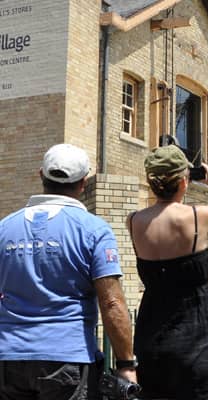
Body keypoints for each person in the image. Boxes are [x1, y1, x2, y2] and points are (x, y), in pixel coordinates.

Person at [0, 143, 136, 399]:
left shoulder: (5, 228)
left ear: (41, 175)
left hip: (8, 358)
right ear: (83, 182)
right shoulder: (94, 230)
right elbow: (112, 303)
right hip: (67, 359)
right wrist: (126, 365)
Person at [127, 145, 208, 400]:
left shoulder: (134, 221)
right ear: (184, 181)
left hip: (150, 338)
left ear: (150, 182)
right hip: (195, 339)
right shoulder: (199, 216)